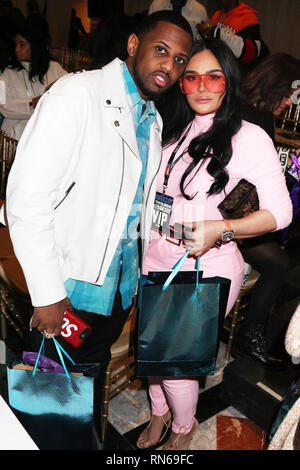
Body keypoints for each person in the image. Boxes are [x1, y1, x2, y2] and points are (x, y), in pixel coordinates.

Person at [4, 11, 193, 369]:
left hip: (117, 295)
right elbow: (27, 202)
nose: (169, 66)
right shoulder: (77, 93)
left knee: (84, 392)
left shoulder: (153, 117)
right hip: (69, 292)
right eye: (162, 50)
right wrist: (47, 294)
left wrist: (133, 283)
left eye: (180, 59)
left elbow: (136, 207)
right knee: (46, 402)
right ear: (134, 44)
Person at [136, 38, 292, 450]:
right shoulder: (173, 126)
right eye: (191, 77)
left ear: (229, 82)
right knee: (153, 350)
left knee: (177, 365)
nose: (202, 86)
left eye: (213, 76)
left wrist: (221, 228)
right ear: (181, 85)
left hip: (208, 266)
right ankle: (158, 412)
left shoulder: (249, 136)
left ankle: (184, 430)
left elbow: (280, 213)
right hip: (155, 254)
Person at [234, 53, 300, 368]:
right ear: (275, 86)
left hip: (236, 209)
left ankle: (250, 328)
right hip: (227, 215)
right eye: (288, 94)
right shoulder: (252, 118)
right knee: (279, 265)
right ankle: (250, 334)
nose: (290, 101)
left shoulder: (250, 111)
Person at [0, 17, 67, 140]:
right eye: (16, 44)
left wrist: (60, 87)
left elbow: (71, 88)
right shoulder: (8, 72)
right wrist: (32, 103)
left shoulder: (54, 68)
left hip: (46, 134)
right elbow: (2, 104)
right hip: (14, 138)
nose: (16, 49)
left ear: (35, 45)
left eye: (22, 45)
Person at [200, 0, 269, 74]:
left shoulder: (247, 17)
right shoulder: (217, 15)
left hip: (236, 76)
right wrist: (204, 34)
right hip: (217, 70)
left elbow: (251, 54)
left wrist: (216, 32)